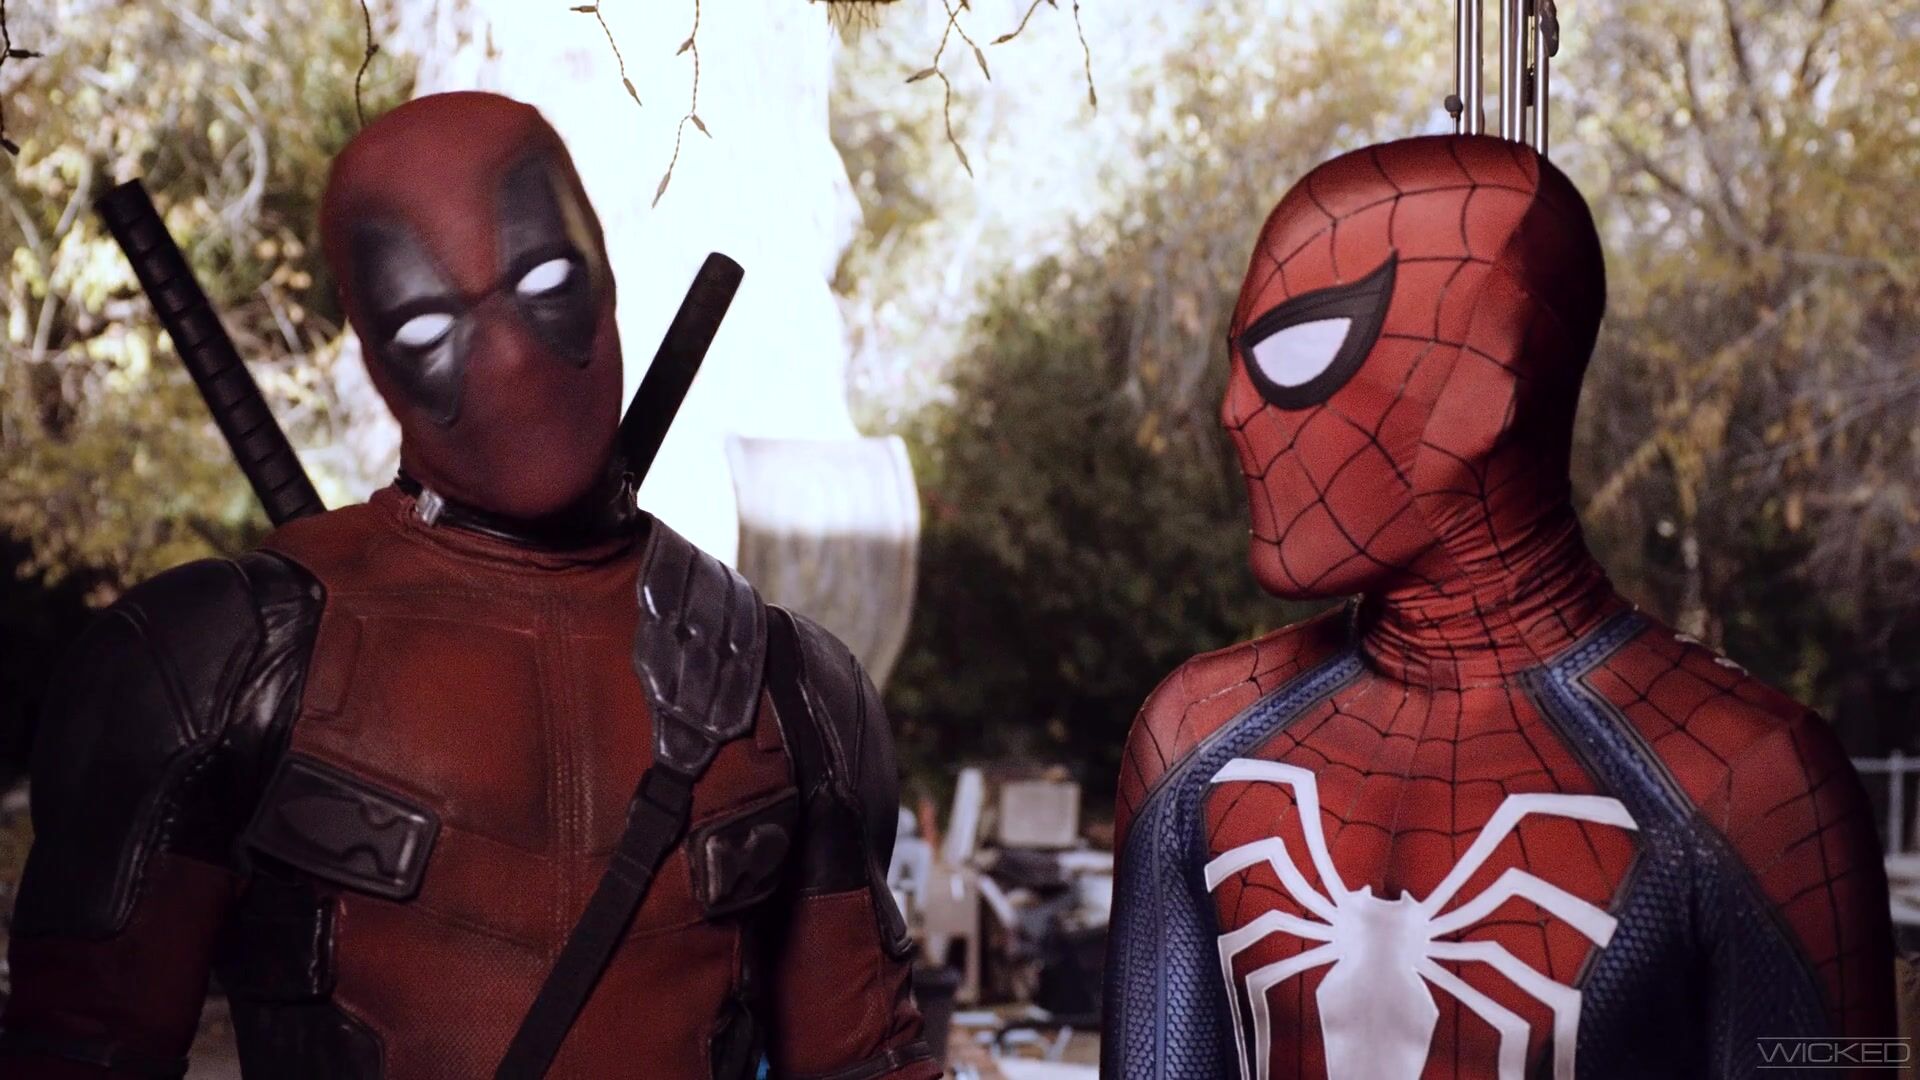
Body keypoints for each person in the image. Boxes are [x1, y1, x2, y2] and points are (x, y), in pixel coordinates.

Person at [0, 91, 937, 1080]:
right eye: (425, 328)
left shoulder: (789, 690)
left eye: (546, 282)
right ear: (375, 360)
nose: (512, 357)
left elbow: (865, 1060)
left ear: (605, 277)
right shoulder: (220, 666)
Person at [1102, 133, 1896, 1079]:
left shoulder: (1754, 780)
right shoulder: (1192, 740)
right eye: (1236, 359)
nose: (1234, 409)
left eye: (1299, 348)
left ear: (1487, 380)